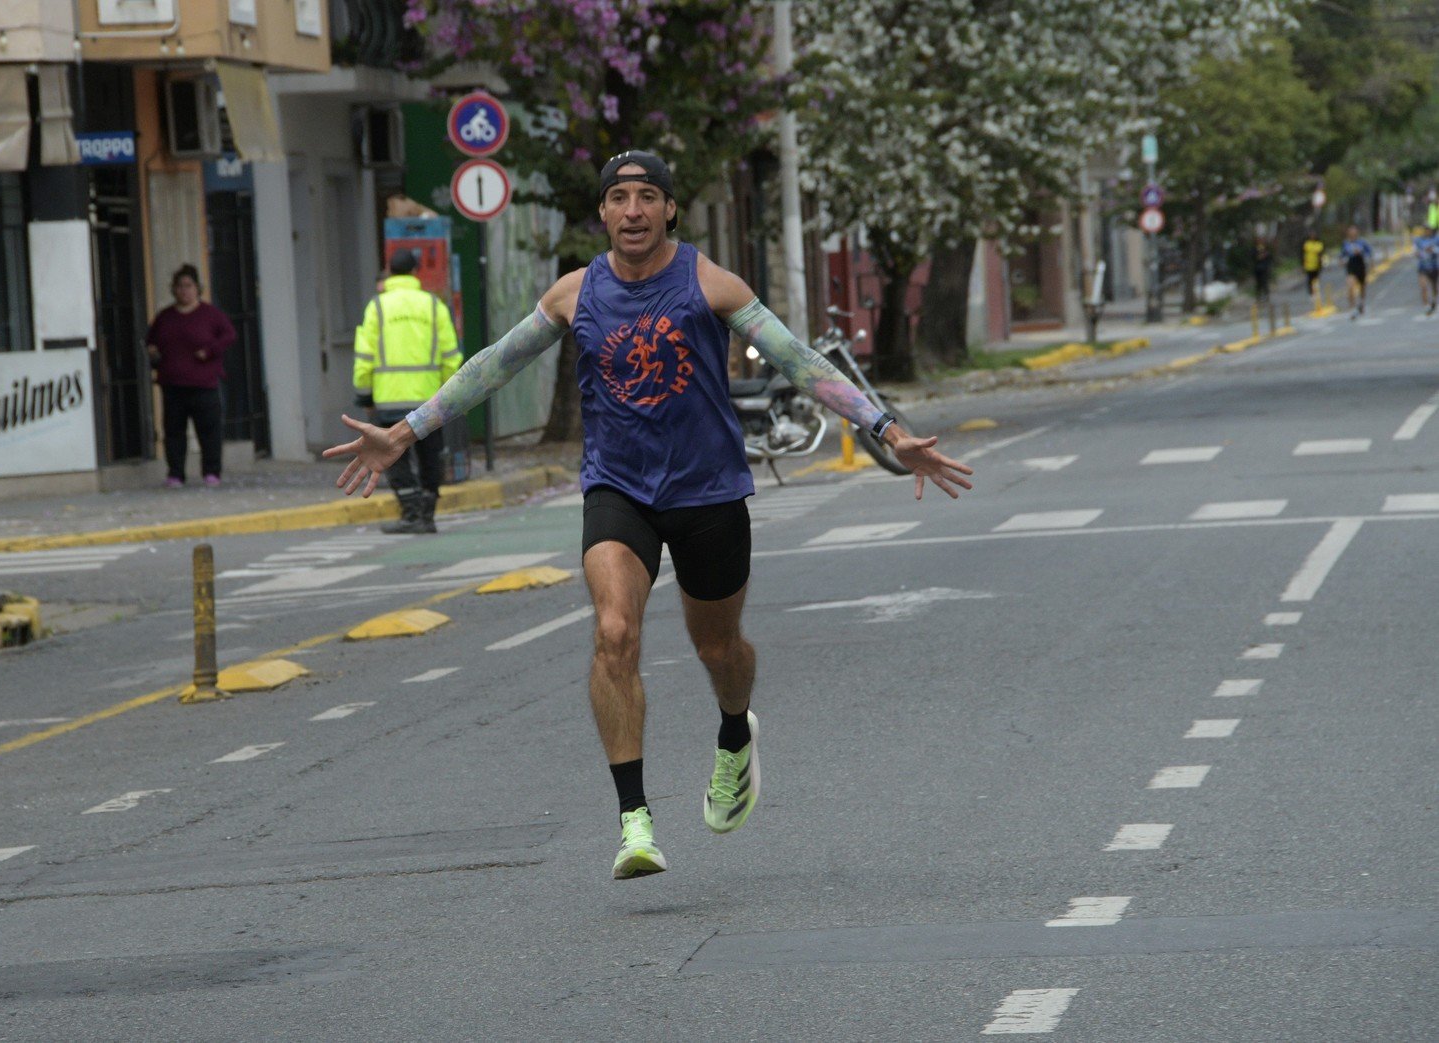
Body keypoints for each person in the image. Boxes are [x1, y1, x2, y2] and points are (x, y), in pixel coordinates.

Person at [324, 149, 974, 880]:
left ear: (668, 209)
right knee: (613, 631)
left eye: (646, 197)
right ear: (600, 212)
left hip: (708, 492)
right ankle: (634, 820)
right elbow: (492, 365)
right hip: (619, 488)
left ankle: (734, 735)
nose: (631, 210)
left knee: (719, 650)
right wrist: (404, 432)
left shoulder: (709, 283)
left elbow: (799, 362)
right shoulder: (574, 294)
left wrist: (888, 432)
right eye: (618, 197)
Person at [353, 247, 462, 534]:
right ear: (415, 272)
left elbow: (364, 357)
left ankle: (410, 512)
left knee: (394, 456)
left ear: (389, 271)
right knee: (431, 455)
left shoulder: (377, 307)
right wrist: (447, 393)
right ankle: (427, 514)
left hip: (389, 398)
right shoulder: (433, 306)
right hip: (429, 399)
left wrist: (365, 395)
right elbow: (451, 356)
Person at [146, 264, 235, 488]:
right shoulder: (165, 317)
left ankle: (211, 472)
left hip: (203, 383)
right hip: (173, 384)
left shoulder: (210, 314)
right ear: (173, 290)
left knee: (209, 431)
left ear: (197, 288)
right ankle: (175, 473)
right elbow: (151, 341)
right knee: (174, 432)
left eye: (188, 286)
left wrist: (210, 350)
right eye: (179, 287)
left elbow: (229, 335)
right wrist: (153, 352)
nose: (184, 291)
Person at [1341, 225, 1373, 318]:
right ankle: (1352, 308)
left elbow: (1369, 252)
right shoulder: (1346, 243)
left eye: (1354, 232)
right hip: (1351, 266)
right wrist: (1342, 260)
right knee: (1350, 286)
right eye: (1351, 233)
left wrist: (1361, 253)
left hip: (1360, 265)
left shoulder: (1362, 242)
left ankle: (1361, 302)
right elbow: (1342, 254)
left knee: (1362, 287)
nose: (1352, 234)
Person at [1415, 225, 1439, 315]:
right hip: (1423, 267)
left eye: (1429, 230)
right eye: (1426, 230)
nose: (1427, 231)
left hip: (1434, 267)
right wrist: (1420, 253)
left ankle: (1433, 301)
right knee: (1423, 287)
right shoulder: (1419, 240)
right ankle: (1426, 306)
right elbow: (1415, 252)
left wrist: (1433, 250)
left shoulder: (1436, 239)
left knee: (1435, 288)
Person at [1301, 230, 1325, 306]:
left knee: (1316, 279)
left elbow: (1320, 254)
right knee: (1309, 280)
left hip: (1316, 265)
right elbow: (1303, 254)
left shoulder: (1319, 244)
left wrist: (1321, 263)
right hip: (1308, 265)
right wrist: (1303, 264)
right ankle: (1311, 294)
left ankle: (1317, 292)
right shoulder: (1307, 244)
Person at [1252, 235, 1274, 301]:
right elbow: (1254, 257)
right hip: (1257, 268)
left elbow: (1269, 257)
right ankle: (1258, 296)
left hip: (1264, 268)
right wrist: (1261, 256)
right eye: (1259, 240)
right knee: (1258, 283)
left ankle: (1266, 295)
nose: (1260, 241)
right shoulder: (1254, 249)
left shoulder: (1265, 248)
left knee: (1264, 282)